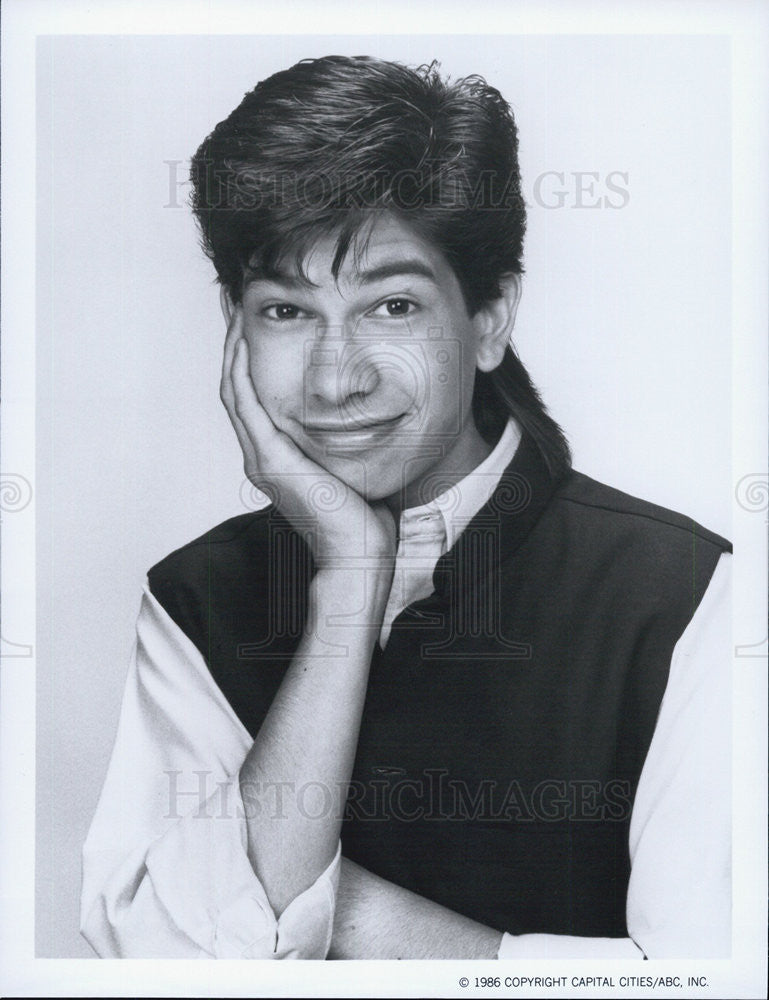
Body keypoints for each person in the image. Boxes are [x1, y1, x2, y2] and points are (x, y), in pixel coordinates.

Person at [80, 55, 731, 960]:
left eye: (390, 305)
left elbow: (711, 980)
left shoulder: (686, 593)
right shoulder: (196, 596)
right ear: (233, 326)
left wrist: (316, 908)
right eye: (285, 311)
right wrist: (350, 581)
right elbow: (158, 964)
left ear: (491, 315)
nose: (335, 379)